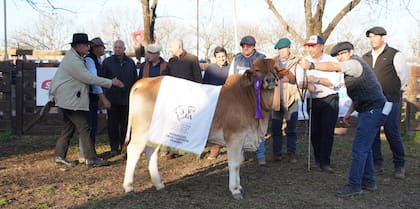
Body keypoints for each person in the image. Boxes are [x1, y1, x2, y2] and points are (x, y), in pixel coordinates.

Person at [301, 41, 390, 197]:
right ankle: (369, 181)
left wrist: (312, 66)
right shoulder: (351, 70)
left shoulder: (354, 64)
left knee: (359, 149)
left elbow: (335, 67)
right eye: (337, 55)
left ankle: (354, 185)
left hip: (373, 110)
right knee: (365, 148)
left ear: (350, 52)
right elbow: (360, 94)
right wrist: (349, 112)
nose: (340, 58)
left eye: (342, 54)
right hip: (368, 109)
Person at [49, 33, 124, 167]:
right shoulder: (74, 61)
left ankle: (59, 156)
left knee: (68, 129)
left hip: (67, 99)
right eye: (86, 45)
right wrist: (111, 82)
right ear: (78, 46)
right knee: (84, 127)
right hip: (69, 100)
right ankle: (90, 158)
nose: (88, 48)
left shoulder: (75, 58)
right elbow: (89, 78)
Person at [362, 26, 409, 179]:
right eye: (370, 36)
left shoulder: (395, 54)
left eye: (375, 36)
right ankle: (377, 164)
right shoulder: (366, 57)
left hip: (390, 100)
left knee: (391, 132)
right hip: (372, 102)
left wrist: (393, 92)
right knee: (373, 133)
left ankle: (399, 165)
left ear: (383, 37)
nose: (372, 39)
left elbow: (404, 77)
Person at [296, 35, 340, 173]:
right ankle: (317, 159)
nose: (310, 49)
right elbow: (300, 82)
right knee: (314, 131)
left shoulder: (331, 61)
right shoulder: (304, 62)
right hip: (312, 100)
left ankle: (325, 162)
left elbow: (334, 82)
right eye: (308, 46)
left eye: (313, 46)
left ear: (321, 46)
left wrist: (317, 79)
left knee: (327, 131)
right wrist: (308, 83)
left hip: (329, 98)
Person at [160, 38, 202, 159]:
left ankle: (185, 149)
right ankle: (172, 148)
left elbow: (198, 79)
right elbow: (165, 75)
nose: (169, 50)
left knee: (185, 124)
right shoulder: (171, 61)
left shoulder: (192, 59)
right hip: (174, 97)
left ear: (178, 46)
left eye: (171, 47)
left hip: (189, 98)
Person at [229, 35, 267, 165]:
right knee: (239, 127)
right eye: (243, 45)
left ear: (253, 46)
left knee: (257, 126)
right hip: (239, 99)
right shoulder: (236, 58)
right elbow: (230, 77)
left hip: (255, 98)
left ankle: (260, 153)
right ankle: (240, 154)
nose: (245, 48)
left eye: (248, 45)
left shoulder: (261, 58)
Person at [101, 40, 138, 156]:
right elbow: (101, 80)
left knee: (126, 125)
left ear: (124, 49)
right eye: (115, 47)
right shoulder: (107, 62)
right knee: (112, 125)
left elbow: (134, 80)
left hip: (127, 99)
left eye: (120, 47)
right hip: (112, 99)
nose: (117, 49)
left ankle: (125, 147)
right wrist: (103, 98)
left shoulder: (130, 62)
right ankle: (114, 148)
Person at [78, 37, 111, 163]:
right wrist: (102, 97)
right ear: (96, 48)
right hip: (89, 96)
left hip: (91, 96)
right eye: (102, 46)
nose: (104, 48)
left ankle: (88, 153)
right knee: (88, 125)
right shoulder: (90, 61)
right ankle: (86, 154)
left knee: (90, 124)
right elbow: (94, 80)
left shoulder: (95, 59)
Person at [271, 38, 300, 163]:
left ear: (289, 48)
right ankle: (277, 153)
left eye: (284, 49)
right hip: (276, 99)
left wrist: (290, 79)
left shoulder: (297, 62)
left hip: (292, 98)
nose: (282, 52)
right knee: (276, 128)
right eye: (280, 49)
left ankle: (291, 153)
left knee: (291, 129)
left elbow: (300, 79)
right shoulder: (272, 62)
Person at [202, 46, 230, 159]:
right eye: (219, 57)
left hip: (228, 100)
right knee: (215, 125)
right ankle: (215, 148)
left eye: (223, 56)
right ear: (215, 57)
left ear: (226, 56)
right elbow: (205, 84)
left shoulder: (231, 68)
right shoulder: (210, 69)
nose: (221, 59)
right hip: (213, 100)